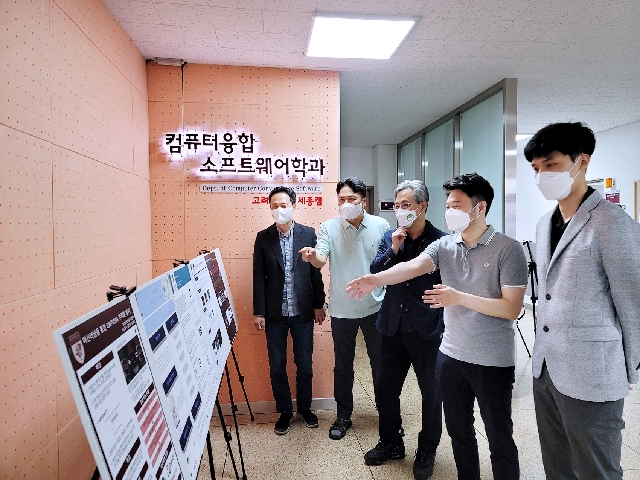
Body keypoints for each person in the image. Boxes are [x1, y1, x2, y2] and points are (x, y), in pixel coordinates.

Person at [346, 173, 527, 480]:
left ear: (480, 207)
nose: (450, 211)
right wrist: (375, 278)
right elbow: (411, 267)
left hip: (477, 351)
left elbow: (512, 308)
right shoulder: (444, 245)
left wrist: (458, 299)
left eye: (457, 205)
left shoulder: (505, 248)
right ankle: (394, 443)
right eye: (448, 205)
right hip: (440, 348)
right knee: (457, 430)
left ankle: (427, 450)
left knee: (495, 434)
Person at [524, 122, 640, 479]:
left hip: (593, 372)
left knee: (596, 469)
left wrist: (630, 367)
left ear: (582, 162)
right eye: (536, 168)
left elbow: (633, 301)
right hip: (546, 368)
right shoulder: (545, 223)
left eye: (551, 165)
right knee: (557, 465)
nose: (541, 176)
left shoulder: (612, 223)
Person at [363, 180, 446, 480]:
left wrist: (444, 325)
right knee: (385, 389)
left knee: (431, 394)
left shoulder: (442, 241)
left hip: (427, 331)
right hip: (392, 327)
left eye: (406, 205)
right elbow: (375, 271)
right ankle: (391, 442)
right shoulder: (390, 236)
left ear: (422, 206)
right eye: (397, 205)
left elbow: (450, 288)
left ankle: (427, 449)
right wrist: (394, 249)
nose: (399, 210)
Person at [299, 177, 389, 440]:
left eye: (352, 199)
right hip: (342, 309)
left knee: (381, 365)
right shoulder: (328, 227)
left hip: (375, 306)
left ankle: (388, 414)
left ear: (363, 201)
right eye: (341, 199)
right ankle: (343, 416)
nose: (346, 204)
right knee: (343, 367)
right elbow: (321, 259)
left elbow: (387, 263)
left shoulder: (381, 225)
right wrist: (311, 256)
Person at [253, 186, 326, 435]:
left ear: (293, 205)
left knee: (304, 364)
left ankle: (304, 408)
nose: (279, 209)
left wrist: (319, 304)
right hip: (275, 314)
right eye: (274, 206)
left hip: (303, 312)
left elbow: (316, 272)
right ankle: (285, 411)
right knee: (277, 366)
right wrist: (259, 312)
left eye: (283, 205)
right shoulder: (263, 238)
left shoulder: (308, 234)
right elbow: (258, 277)